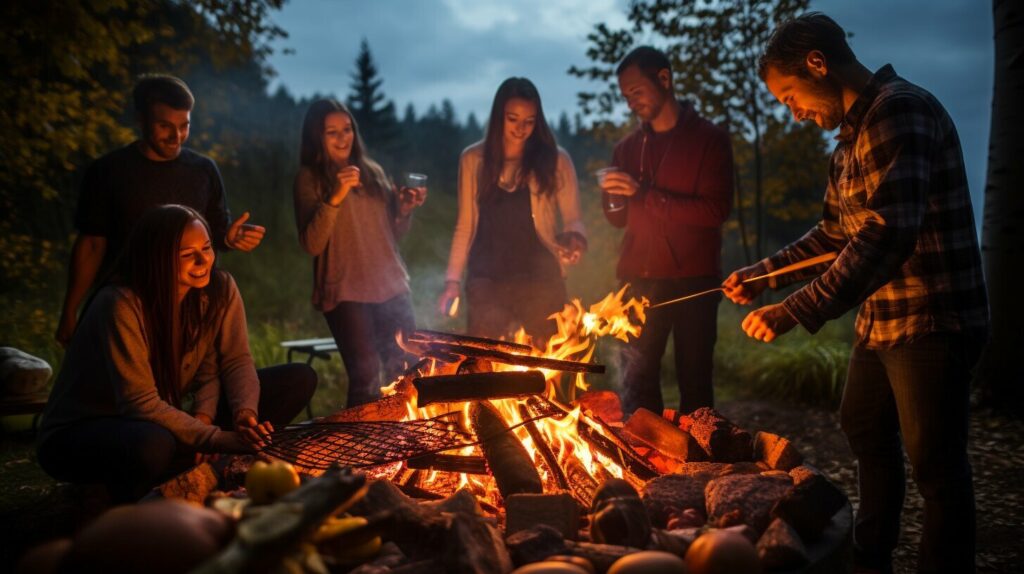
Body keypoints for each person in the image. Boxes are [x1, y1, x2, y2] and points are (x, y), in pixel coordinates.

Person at [723, 13, 988, 574]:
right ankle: (871, 558)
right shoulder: (847, 141)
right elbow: (832, 234)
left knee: (936, 467)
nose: (792, 111)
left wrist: (793, 309)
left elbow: (885, 235)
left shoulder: (898, 111)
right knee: (864, 424)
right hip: (883, 319)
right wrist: (761, 275)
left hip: (932, 318)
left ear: (817, 64)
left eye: (790, 94)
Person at [37, 205, 317, 502]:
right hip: (85, 433)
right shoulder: (121, 303)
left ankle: (196, 462)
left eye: (207, 248)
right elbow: (139, 402)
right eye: (187, 254)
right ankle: (135, 496)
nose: (203, 260)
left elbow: (231, 362)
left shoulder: (217, 290)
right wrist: (216, 437)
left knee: (297, 379)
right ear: (156, 259)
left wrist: (240, 415)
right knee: (153, 445)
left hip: (160, 418)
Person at [55, 74, 267, 346]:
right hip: (129, 306)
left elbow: (214, 233)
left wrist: (229, 238)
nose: (176, 136)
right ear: (141, 120)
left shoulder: (203, 170)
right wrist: (70, 309)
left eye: (184, 126)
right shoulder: (109, 171)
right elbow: (92, 244)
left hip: (191, 308)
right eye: (165, 126)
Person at [599, 47, 733, 417]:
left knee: (695, 382)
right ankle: (645, 462)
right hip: (637, 279)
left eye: (636, 93)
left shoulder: (710, 139)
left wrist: (645, 195)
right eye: (625, 97)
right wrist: (612, 197)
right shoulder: (627, 148)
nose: (631, 104)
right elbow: (617, 221)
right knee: (636, 381)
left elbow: (715, 211)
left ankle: (701, 463)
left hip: (695, 280)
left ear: (664, 79)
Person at [293, 99, 425, 407]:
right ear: (317, 137)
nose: (343, 138)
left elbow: (390, 235)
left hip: (390, 285)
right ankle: (361, 451)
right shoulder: (309, 179)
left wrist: (404, 210)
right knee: (366, 375)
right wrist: (336, 196)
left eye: (347, 129)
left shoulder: (373, 172)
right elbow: (311, 243)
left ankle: (407, 447)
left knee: (408, 368)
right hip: (345, 292)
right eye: (331, 132)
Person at [437, 77, 586, 343]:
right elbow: (465, 225)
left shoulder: (556, 160)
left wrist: (574, 240)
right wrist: (452, 281)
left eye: (529, 120)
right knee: (487, 358)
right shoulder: (473, 160)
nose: (521, 128)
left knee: (548, 359)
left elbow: (574, 220)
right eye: (513, 119)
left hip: (541, 277)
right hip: (488, 277)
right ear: (498, 117)